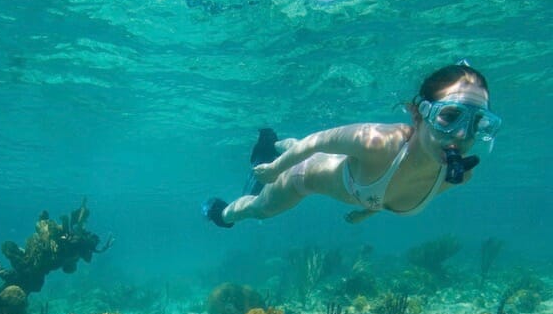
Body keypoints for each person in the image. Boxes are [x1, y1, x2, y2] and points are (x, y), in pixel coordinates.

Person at [203, 64, 501, 228]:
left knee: (313, 154)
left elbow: (395, 192)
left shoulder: (457, 175)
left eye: (477, 123)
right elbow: (317, 140)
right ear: (417, 113)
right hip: (301, 179)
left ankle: (278, 148)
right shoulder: (379, 143)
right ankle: (222, 213)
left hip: (342, 172)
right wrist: (275, 170)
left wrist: (368, 212)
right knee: (257, 209)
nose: (462, 135)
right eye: (449, 117)